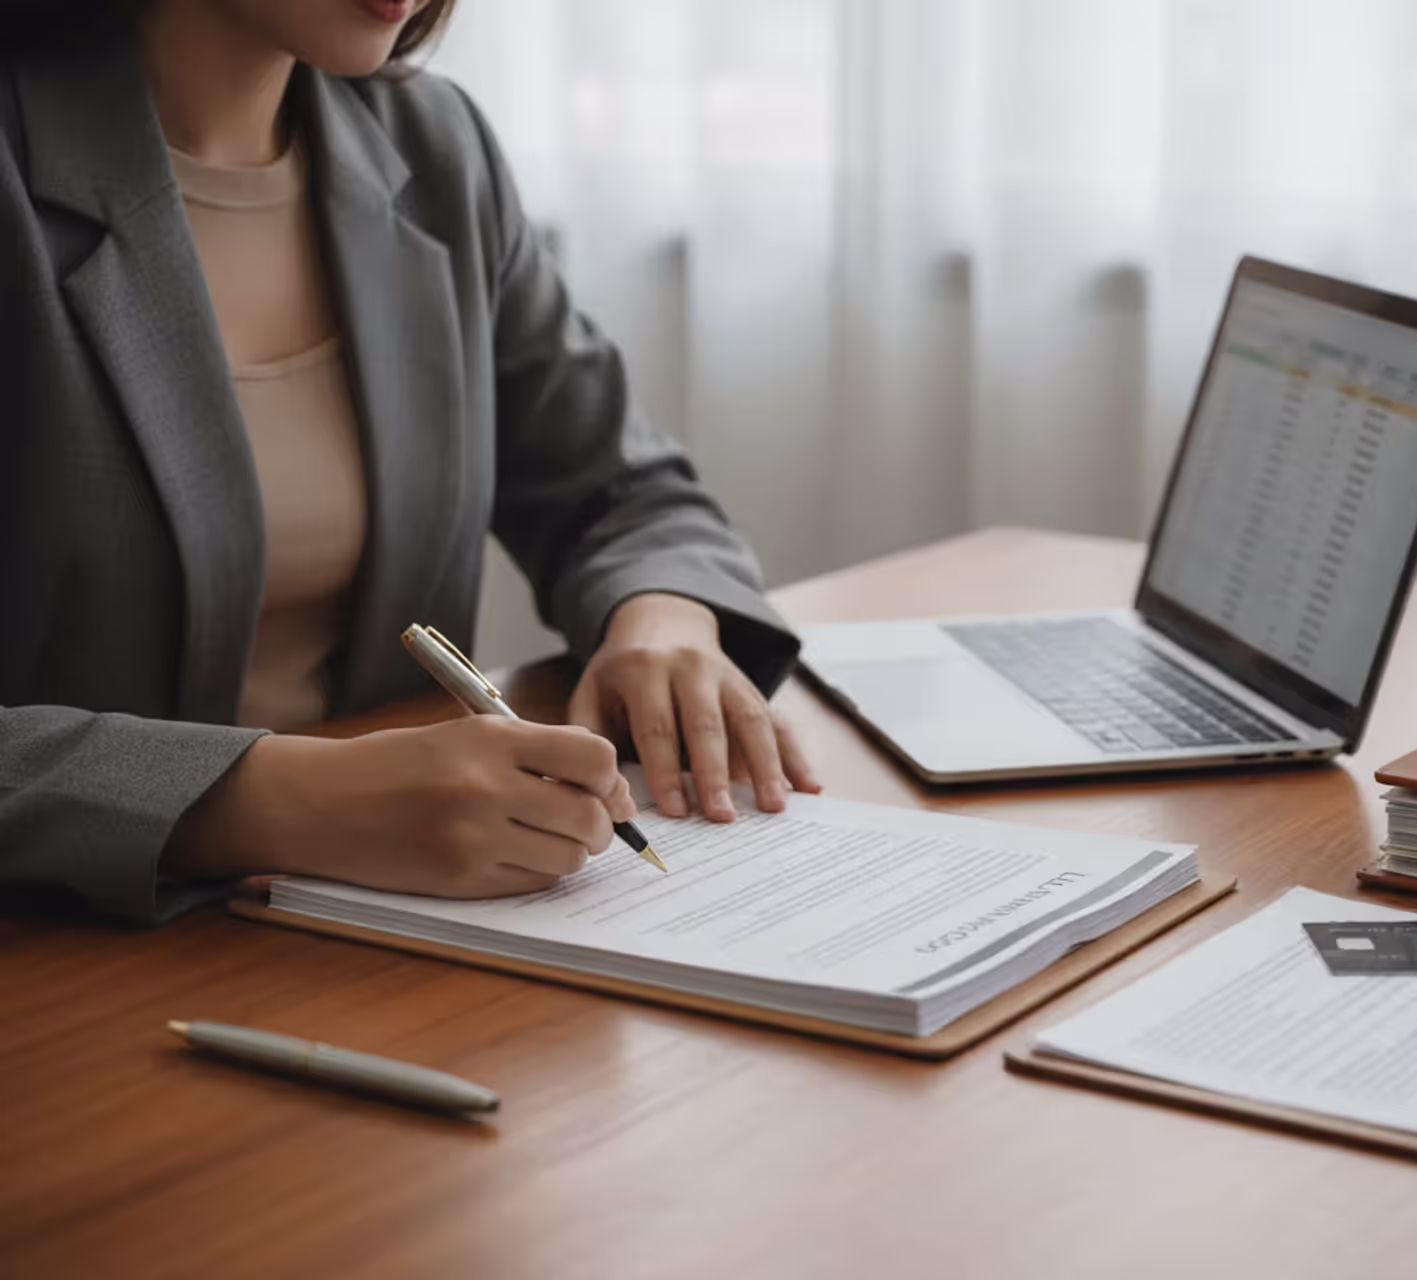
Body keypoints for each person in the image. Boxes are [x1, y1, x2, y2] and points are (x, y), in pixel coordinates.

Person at [0, 0, 821, 923]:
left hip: (386, 942)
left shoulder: (433, 145)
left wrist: (662, 617)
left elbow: (619, 488)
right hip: (65, 972)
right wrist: (275, 801)